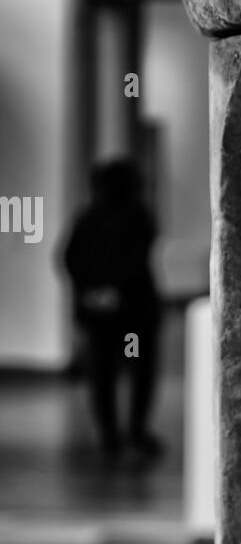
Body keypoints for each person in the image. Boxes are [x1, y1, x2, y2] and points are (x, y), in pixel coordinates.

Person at [63, 159, 162, 461]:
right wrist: (112, 291)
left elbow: (70, 259)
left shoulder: (88, 218)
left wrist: (94, 291)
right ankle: (132, 430)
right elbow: (136, 260)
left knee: (104, 374)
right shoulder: (137, 216)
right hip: (131, 318)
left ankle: (113, 434)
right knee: (134, 370)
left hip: (104, 316)